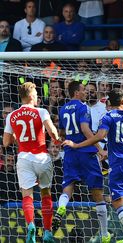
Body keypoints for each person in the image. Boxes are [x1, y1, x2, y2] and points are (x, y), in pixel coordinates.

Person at [63, 88, 123, 243]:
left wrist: (77, 145)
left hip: (119, 164)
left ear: (109, 102)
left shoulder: (108, 117)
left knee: (117, 201)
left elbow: (100, 136)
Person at [3, 82, 60, 243]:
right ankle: (47, 232)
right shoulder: (41, 111)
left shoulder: (11, 116)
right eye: (35, 95)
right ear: (31, 96)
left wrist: (19, 137)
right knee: (46, 194)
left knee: (27, 195)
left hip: (24, 159)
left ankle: (30, 225)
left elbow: (6, 142)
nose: (37, 98)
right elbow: (52, 131)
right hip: (42, 157)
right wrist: (57, 140)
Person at [53, 81, 110, 242]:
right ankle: (105, 233)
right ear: (76, 93)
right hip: (86, 153)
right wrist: (100, 149)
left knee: (68, 186)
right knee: (97, 192)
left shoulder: (63, 109)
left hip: (70, 153)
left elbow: (62, 133)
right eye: (83, 90)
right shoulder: (83, 107)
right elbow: (85, 130)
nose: (86, 93)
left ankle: (62, 206)